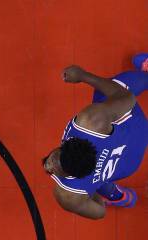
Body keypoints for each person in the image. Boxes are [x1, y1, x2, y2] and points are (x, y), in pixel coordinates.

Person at [43, 54, 148, 219]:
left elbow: (100, 212)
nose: (48, 165)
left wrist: (92, 184)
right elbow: (126, 98)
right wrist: (83, 76)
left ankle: (121, 197)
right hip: (136, 132)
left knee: (96, 182)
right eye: (54, 166)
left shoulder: (70, 197)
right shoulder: (90, 122)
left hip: (128, 165)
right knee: (107, 91)